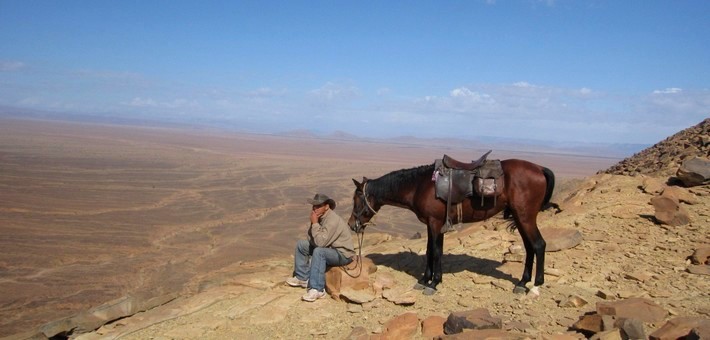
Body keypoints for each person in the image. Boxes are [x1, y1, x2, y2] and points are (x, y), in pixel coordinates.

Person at [286, 193, 355, 302]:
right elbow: (311, 239)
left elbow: (320, 244)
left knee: (319, 252)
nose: (315, 208)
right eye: (314, 206)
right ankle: (302, 277)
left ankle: (317, 289)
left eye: (318, 206)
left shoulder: (332, 220)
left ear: (326, 207)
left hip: (343, 254)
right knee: (301, 245)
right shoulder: (321, 218)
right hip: (330, 250)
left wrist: (314, 224)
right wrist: (314, 223)